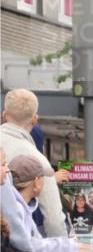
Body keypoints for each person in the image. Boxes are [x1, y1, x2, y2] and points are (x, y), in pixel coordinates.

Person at [0, 89, 65, 238]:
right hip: (17, 250)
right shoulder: (40, 163)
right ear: (35, 120)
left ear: (4, 115)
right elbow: (54, 220)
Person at [5, 154, 86, 252]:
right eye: (44, 178)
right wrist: (71, 246)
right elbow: (31, 246)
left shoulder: (21, 207)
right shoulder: (17, 210)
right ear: (36, 182)